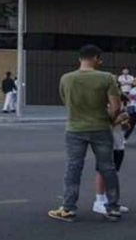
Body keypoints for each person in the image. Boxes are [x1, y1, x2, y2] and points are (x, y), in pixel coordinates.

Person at [47, 44, 123, 223]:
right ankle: (113, 208)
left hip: (75, 128)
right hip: (101, 127)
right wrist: (110, 120)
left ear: (80, 58)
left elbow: (66, 101)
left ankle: (68, 208)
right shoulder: (106, 78)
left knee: (73, 167)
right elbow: (116, 106)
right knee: (107, 167)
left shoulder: (66, 78)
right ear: (96, 58)